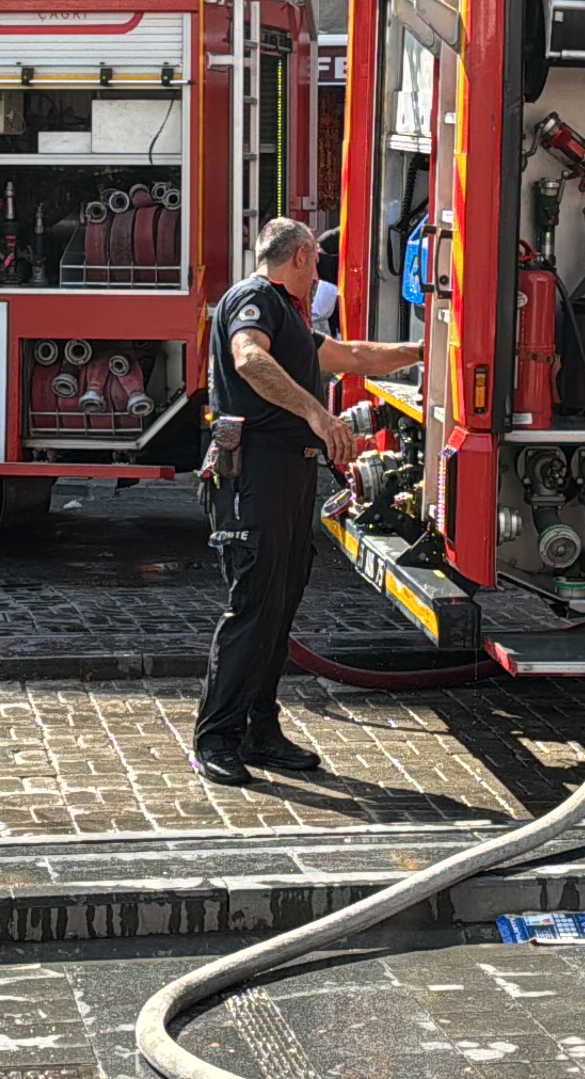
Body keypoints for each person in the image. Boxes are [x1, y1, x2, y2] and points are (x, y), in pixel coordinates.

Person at [191, 216, 418, 787]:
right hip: (256, 475)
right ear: (298, 257)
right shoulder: (254, 300)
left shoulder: (290, 316)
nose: (319, 272)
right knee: (252, 607)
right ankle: (215, 738)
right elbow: (249, 360)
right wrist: (317, 414)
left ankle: (260, 730)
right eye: (315, 261)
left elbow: (357, 356)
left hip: (290, 476)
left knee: (280, 607)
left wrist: (426, 347)